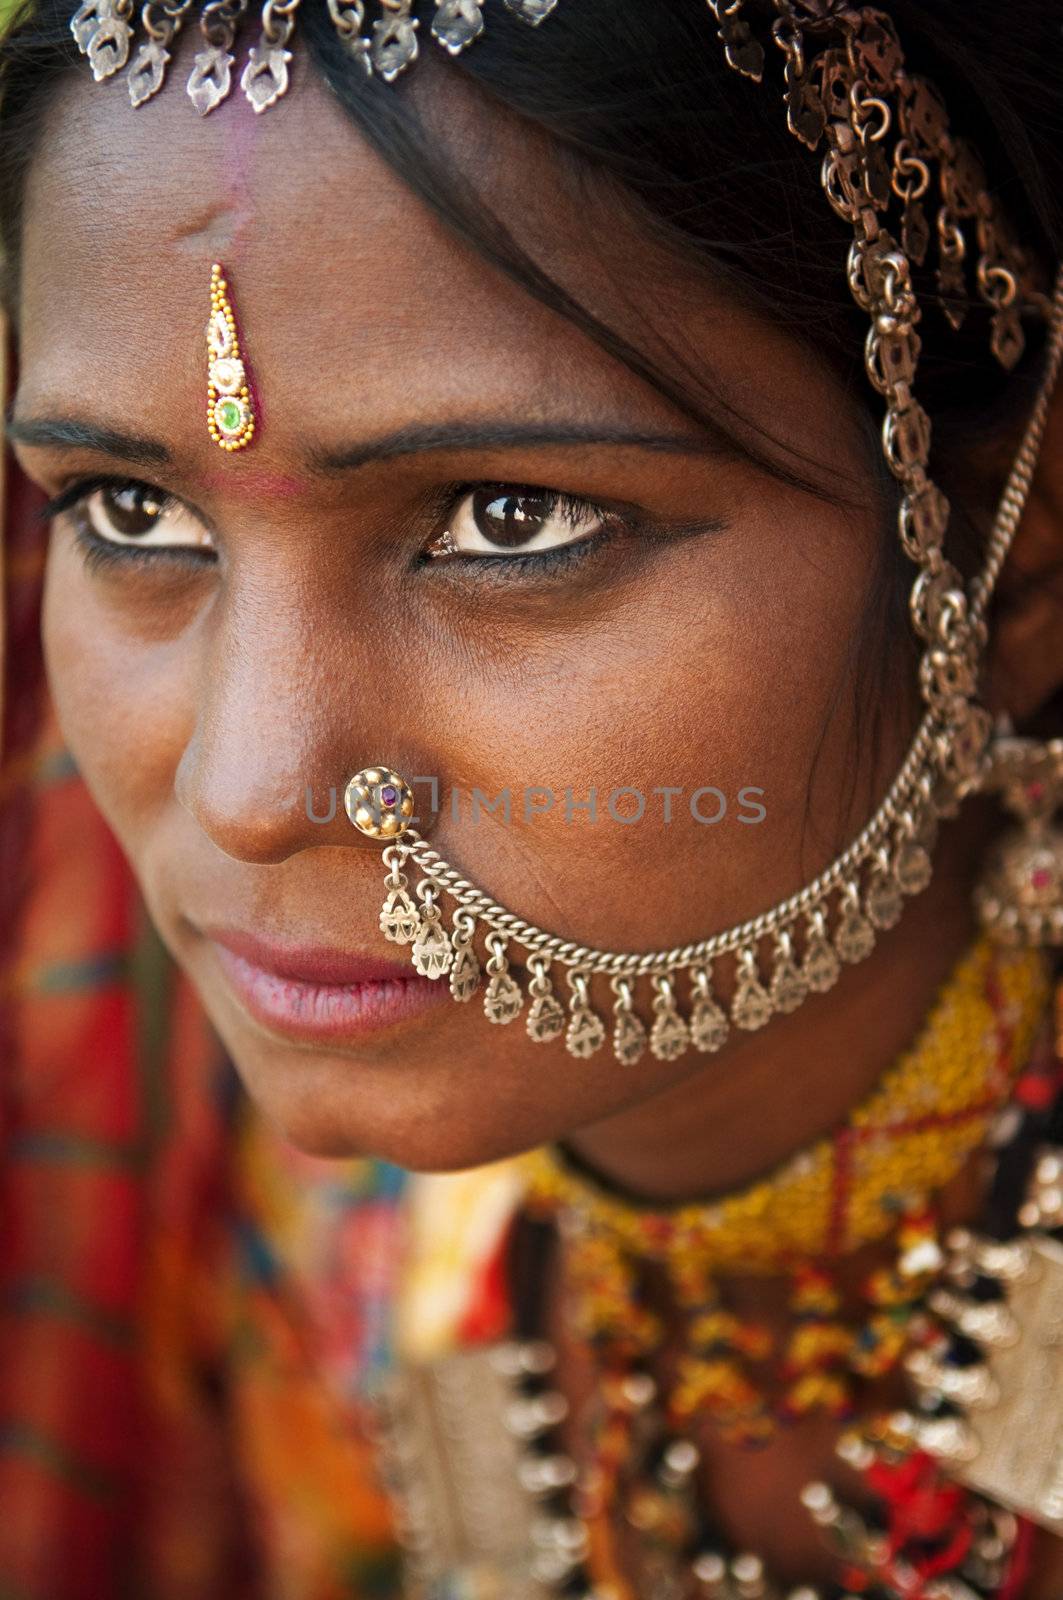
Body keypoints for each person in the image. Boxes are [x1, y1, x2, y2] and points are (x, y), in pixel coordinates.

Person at [1, 0, 1061, 1595]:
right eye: (132, 510)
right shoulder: (301, 1224)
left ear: (1016, 551)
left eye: (511, 520)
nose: (250, 790)